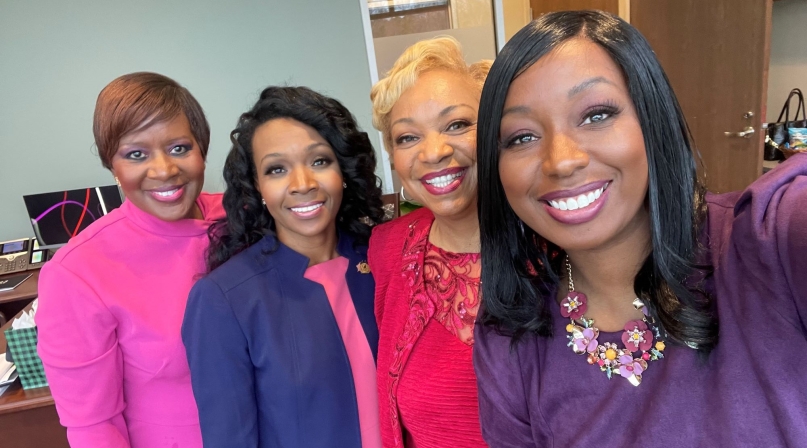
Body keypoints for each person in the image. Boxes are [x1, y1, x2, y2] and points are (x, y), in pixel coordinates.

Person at [473, 10, 807, 447]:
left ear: (653, 118)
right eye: (520, 137)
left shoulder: (769, 240)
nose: (561, 160)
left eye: (595, 115)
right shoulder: (511, 335)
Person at [181, 86, 386, 448]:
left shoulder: (385, 259)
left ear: (343, 169)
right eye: (277, 169)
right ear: (257, 185)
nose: (303, 184)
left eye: (319, 161)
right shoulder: (223, 299)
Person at [36, 72, 221, 447]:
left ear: (202, 149)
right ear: (112, 166)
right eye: (136, 154)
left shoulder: (243, 218)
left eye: (180, 148)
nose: (164, 170)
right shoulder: (77, 272)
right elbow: (92, 426)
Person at [368, 36, 491, 448]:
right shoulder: (388, 248)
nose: (434, 152)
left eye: (457, 124)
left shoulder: (557, 245)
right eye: (408, 137)